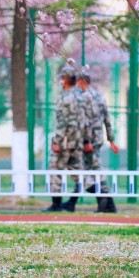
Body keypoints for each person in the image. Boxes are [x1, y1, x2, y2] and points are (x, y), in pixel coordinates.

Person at [76, 70, 119, 213]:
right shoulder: (100, 97)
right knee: (94, 171)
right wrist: (111, 140)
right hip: (98, 140)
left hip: (88, 142)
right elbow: (107, 120)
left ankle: (104, 199)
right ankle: (108, 205)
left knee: (83, 172)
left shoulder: (84, 98)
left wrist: (86, 141)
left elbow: (85, 122)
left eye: (77, 82)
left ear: (81, 82)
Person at [44, 65, 84, 212]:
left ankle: (56, 204)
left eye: (62, 77)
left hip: (65, 142)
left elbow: (63, 122)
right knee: (78, 173)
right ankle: (72, 202)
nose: (61, 80)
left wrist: (57, 141)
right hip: (77, 141)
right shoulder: (81, 96)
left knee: (55, 169)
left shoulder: (65, 97)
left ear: (66, 79)